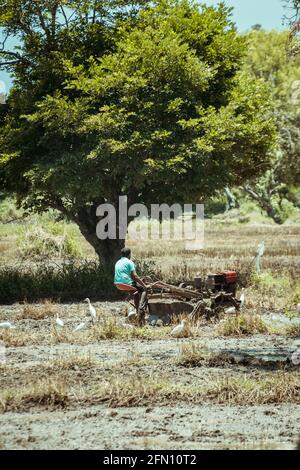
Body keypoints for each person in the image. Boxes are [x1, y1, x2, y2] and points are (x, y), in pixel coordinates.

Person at [114, 247, 150, 319]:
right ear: (129, 254)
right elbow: (135, 276)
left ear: (121, 255)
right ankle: (140, 309)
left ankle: (136, 310)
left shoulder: (118, 262)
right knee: (143, 289)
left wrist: (139, 281)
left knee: (136, 291)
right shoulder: (129, 262)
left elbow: (130, 276)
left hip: (117, 284)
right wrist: (144, 285)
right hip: (126, 283)